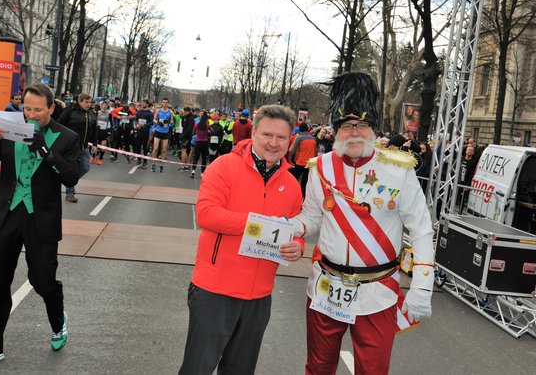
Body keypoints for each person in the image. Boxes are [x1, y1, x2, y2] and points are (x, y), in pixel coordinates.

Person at [291, 72, 435, 375]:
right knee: (318, 368)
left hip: (377, 291)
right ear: (336, 129)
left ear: (373, 129)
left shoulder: (399, 169)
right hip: (326, 287)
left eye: (362, 125)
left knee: (373, 371)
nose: (354, 132)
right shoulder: (321, 167)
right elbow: (312, 216)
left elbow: (421, 228)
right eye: (346, 125)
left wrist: (422, 284)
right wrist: (287, 228)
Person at [179, 105, 304, 375]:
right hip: (215, 290)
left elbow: (293, 230)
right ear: (253, 133)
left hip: (259, 296)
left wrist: (297, 247)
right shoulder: (224, 166)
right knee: (197, 369)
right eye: (267, 135)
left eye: (281, 137)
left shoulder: (293, 186)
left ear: (289, 140)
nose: (273, 143)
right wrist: (257, 225)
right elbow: (206, 214)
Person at [0, 83, 80, 371]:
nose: (30, 114)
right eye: (26, 108)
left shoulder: (67, 137)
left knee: (42, 281)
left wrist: (46, 151)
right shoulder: (9, 128)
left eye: (37, 110)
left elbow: (70, 177)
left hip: (41, 219)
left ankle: (58, 321)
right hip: (8, 214)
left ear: (51, 108)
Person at [58, 93, 96, 203]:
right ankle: (70, 194)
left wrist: (95, 143)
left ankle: (68, 180)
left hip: (84, 147)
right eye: (86, 102)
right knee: (72, 168)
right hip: (71, 147)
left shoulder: (90, 114)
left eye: (90, 102)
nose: (88, 104)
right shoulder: (70, 111)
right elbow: (59, 124)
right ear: (80, 101)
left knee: (85, 167)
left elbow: (94, 129)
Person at [288, 122, 318, 196]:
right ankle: (303, 196)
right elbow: (315, 152)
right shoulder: (313, 138)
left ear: (300, 129)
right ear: (307, 129)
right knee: (305, 182)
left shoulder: (299, 138)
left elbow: (294, 150)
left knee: (294, 179)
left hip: (300, 162)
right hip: (309, 164)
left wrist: (292, 160)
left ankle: (292, 194)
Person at [151, 97, 173, 172]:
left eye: (166, 102)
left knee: (164, 149)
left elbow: (172, 122)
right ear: (162, 103)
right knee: (155, 148)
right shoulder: (158, 110)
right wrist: (157, 122)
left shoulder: (170, 111)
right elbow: (154, 119)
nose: (165, 104)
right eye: (163, 102)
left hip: (165, 133)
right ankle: (153, 164)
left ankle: (161, 165)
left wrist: (168, 122)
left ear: (168, 103)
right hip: (158, 131)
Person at [134, 99, 154, 169]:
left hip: (145, 131)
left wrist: (144, 125)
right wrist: (137, 125)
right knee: (138, 146)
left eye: (144, 103)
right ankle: (139, 160)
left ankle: (145, 161)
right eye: (142, 103)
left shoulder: (150, 113)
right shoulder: (139, 111)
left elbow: (152, 122)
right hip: (139, 130)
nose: (142, 104)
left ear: (147, 104)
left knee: (145, 146)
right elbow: (136, 120)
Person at [190, 111, 210, 179]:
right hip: (205, 142)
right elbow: (211, 131)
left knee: (196, 157)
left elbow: (193, 132)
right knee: (204, 158)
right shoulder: (207, 126)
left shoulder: (196, 124)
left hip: (198, 142)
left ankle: (193, 170)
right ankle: (202, 173)